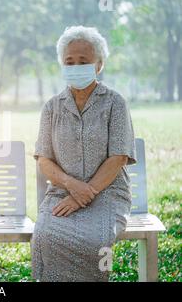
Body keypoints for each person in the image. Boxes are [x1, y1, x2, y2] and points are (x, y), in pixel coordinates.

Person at [31, 26, 136, 282]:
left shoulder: (114, 103)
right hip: (61, 193)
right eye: (70, 61)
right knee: (45, 236)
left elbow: (119, 157)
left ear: (98, 65)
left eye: (84, 61)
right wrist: (70, 185)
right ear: (62, 64)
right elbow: (43, 158)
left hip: (108, 194)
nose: (76, 66)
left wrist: (81, 196)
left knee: (95, 240)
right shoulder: (52, 107)